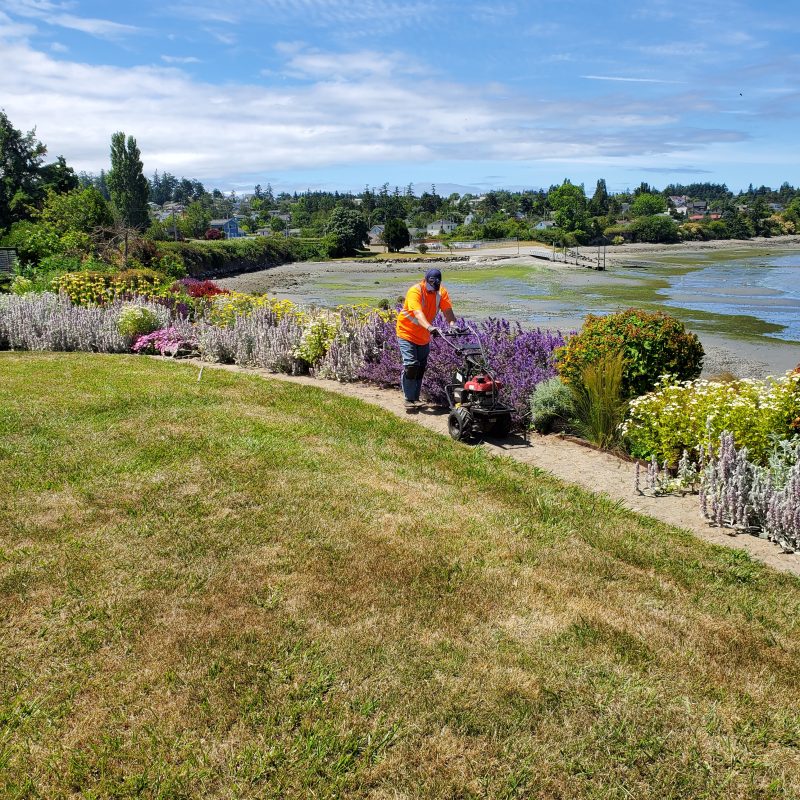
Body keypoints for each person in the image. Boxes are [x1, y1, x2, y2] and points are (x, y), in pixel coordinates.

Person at [395, 268, 457, 411]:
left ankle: (415, 398)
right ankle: (409, 399)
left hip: (423, 336)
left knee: (420, 368)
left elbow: (447, 311)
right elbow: (417, 313)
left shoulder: (441, 292)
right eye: (431, 284)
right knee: (411, 366)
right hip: (406, 333)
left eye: (436, 285)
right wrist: (429, 327)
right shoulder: (415, 291)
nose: (433, 288)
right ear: (425, 280)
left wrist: (453, 325)